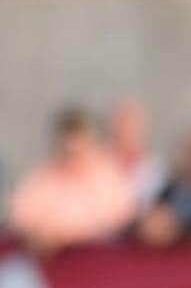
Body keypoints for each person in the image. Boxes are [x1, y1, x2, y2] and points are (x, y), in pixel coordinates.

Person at [8, 107, 136, 254]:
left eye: (78, 151)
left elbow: (118, 216)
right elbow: (20, 214)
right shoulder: (45, 175)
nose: (72, 158)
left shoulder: (109, 176)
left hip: (99, 267)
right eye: (68, 152)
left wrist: (61, 232)